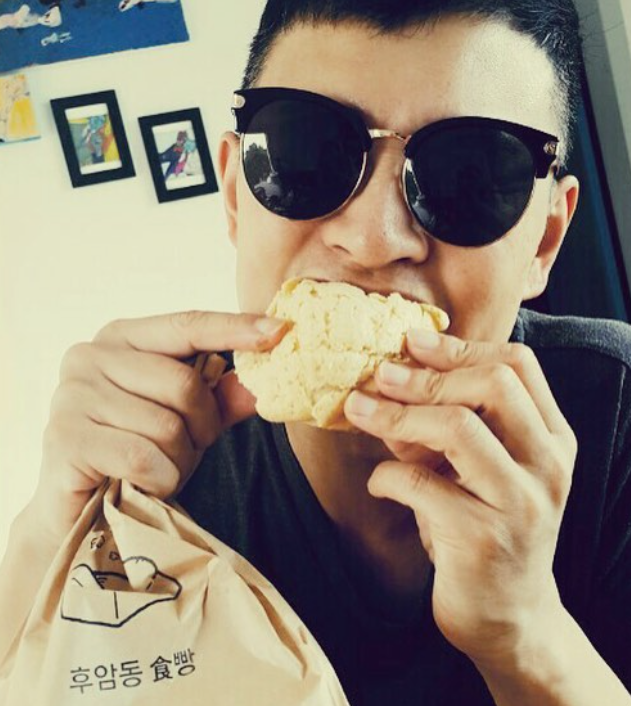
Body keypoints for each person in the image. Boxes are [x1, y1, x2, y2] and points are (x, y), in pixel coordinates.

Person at [3, 1, 631, 704]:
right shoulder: (150, 470)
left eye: (472, 176)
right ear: (235, 196)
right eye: (305, 151)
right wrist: (48, 538)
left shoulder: (616, 416)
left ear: (544, 241)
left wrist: (524, 632)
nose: (373, 240)